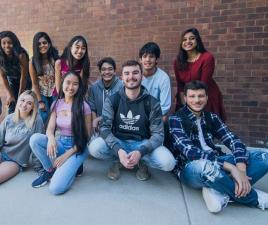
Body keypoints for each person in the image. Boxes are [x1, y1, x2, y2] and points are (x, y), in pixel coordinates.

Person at [169, 80, 268, 213]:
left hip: (218, 160)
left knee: (264, 157)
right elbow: (190, 153)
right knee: (206, 167)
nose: (197, 100)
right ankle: (255, 198)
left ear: (207, 97)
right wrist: (231, 168)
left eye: (201, 96)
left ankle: (218, 189)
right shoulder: (175, 119)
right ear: (185, 98)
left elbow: (233, 140)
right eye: (192, 96)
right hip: (192, 168)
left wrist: (241, 168)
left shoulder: (212, 117)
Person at [89, 60, 176, 181]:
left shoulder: (152, 103)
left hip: (142, 143)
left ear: (142, 76)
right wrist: (118, 150)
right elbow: (104, 128)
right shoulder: (112, 100)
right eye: (127, 73)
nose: (131, 77)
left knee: (168, 163)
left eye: (135, 73)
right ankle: (118, 160)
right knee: (94, 148)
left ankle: (141, 162)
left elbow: (158, 134)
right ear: (122, 77)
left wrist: (141, 151)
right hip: (118, 141)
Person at [29, 71, 91, 195]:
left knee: (55, 189)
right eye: (68, 82)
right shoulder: (57, 103)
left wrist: (66, 155)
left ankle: (74, 168)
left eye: (75, 84)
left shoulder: (84, 106)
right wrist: (51, 138)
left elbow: (86, 137)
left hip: (78, 148)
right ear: (62, 84)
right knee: (35, 139)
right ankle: (49, 170)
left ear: (79, 87)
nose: (71, 87)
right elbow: (50, 128)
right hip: (61, 143)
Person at [174, 28, 226, 121]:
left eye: (192, 38)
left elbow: (203, 84)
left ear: (197, 40)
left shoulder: (207, 58)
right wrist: (185, 104)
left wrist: (194, 103)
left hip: (205, 96)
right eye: (184, 39)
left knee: (208, 128)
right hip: (187, 98)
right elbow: (180, 85)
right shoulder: (178, 62)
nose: (188, 41)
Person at [0, 31, 32, 114]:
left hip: (26, 81)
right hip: (12, 82)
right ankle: (10, 125)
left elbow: (24, 77)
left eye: (9, 43)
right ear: (0, 44)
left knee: (23, 104)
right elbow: (4, 77)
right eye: (4, 43)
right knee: (12, 104)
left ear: (14, 43)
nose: (7, 45)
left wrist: (21, 95)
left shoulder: (21, 55)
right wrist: (10, 94)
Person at [29, 32, 59, 123]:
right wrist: (40, 101)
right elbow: (34, 83)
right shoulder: (33, 61)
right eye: (39, 44)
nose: (42, 45)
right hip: (41, 92)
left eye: (44, 43)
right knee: (43, 116)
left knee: (56, 114)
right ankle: (41, 136)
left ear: (49, 44)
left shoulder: (55, 58)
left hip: (55, 91)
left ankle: (53, 135)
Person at [88, 57, 123, 134]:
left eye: (110, 69)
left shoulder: (122, 86)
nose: (107, 72)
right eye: (103, 69)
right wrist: (95, 124)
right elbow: (92, 108)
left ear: (114, 71)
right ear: (100, 72)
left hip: (118, 127)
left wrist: (100, 119)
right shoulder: (94, 88)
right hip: (100, 128)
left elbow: (122, 109)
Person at [139, 42, 172, 121]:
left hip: (156, 115)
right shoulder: (135, 75)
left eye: (151, 56)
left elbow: (165, 106)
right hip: (138, 114)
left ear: (156, 59)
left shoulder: (163, 78)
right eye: (145, 56)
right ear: (140, 60)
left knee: (164, 118)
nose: (148, 59)